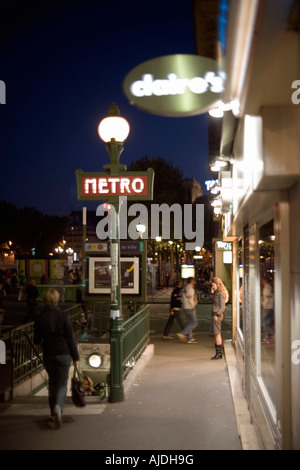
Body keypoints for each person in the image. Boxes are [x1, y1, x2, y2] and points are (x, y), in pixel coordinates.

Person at [34, 288, 79, 429]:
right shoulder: (63, 316)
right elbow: (70, 337)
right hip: (64, 353)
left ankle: (52, 412)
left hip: (49, 354)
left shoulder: (40, 317)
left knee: (52, 383)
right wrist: (75, 357)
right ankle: (58, 407)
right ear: (56, 300)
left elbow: (36, 339)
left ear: (45, 300)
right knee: (62, 384)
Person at [210, 277, 229, 360]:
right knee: (216, 333)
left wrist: (217, 315)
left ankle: (219, 353)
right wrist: (212, 292)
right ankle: (218, 353)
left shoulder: (221, 293)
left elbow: (222, 306)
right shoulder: (217, 292)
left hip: (217, 315)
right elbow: (214, 302)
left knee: (217, 333)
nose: (212, 286)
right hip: (215, 314)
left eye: (213, 285)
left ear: (217, 284)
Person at [177, 277, 198, 344]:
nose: (194, 281)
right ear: (191, 281)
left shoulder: (184, 288)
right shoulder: (190, 289)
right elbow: (190, 299)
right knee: (194, 323)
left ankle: (190, 338)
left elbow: (182, 298)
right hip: (190, 307)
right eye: (194, 280)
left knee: (190, 323)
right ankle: (183, 333)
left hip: (185, 307)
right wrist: (193, 305)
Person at [261, 275, 274, 343]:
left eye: (262, 280)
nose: (261, 281)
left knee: (265, 322)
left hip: (267, 308)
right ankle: (268, 336)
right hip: (270, 307)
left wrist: (263, 304)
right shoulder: (270, 288)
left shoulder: (266, 289)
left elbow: (266, 299)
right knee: (267, 322)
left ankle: (271, 333)